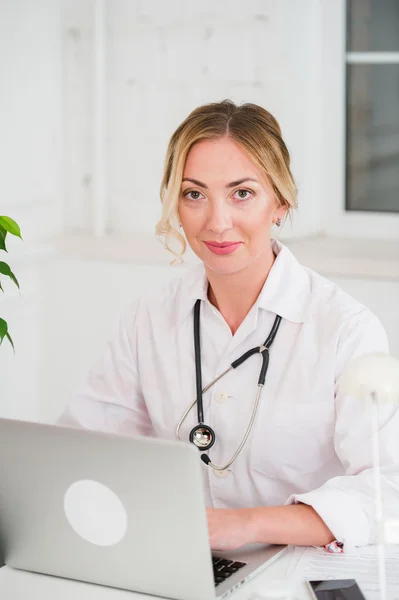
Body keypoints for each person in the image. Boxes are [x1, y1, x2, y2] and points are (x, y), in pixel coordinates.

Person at [58, 99, 399, 553]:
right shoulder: (149, 319)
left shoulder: (345, 329)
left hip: (296, 572)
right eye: (194, 194)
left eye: (242, 193)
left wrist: (244, 526)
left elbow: (388, 490)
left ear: (280, 202)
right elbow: (82, 448)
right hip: (177, 562)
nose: (217, 223)